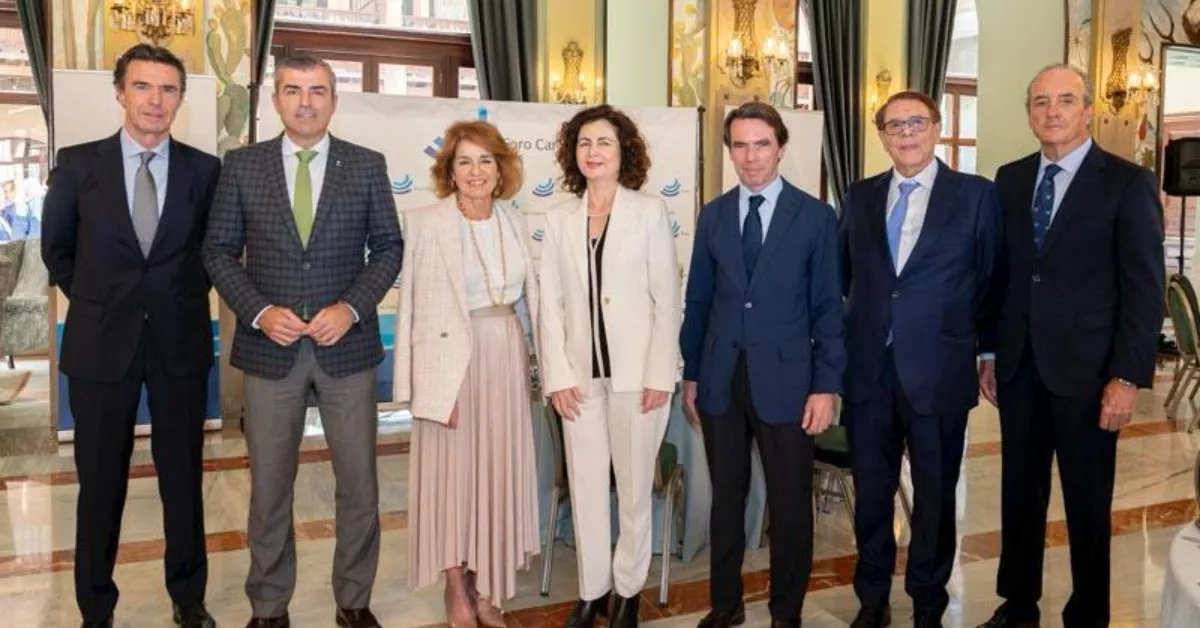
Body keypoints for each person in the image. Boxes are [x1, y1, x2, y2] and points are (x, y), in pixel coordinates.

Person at [203, 53, 403, 628]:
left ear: (334, 101)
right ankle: (269, 607)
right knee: (268, 488)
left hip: (348, 349)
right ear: (277, 99)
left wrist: (352, 306)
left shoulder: (366, 166)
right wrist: (261, 311)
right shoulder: (242, 167)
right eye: (294, 90)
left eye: (318, 91)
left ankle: (354, 601)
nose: (306, 101)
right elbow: (217, 251)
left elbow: (388, 247)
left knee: (360, 484)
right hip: (271, 353)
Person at [976, 64, 1164, 628]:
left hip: (1089, 374)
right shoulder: (1008, 180)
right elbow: (999, 277)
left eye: (1064, 101)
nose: (1051, 112)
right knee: (1019, 494)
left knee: (1086, 502)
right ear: (1028, 112)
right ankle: (1018, 604)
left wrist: (1127, 377)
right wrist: (988, 352)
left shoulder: (1127, 183)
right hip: (1018, 365)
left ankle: (1087, 613)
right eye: (1039, 102)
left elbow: (1144, 289)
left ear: (1087, 110)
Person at [41, 43, 221, 628]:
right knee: (99, 484)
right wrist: (105, 304)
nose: (155, 100)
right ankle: (96, 606)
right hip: (99, 347)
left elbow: (210, 253)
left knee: (182, 477)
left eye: (168, 89)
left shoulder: (204, 170)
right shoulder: (77, 165)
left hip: (179, 344)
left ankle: (188, 597)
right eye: (143, 86)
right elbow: (58, 253)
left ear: (180, 100)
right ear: (120, 92)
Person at [679, 101, 844, 628]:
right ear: (729, 151)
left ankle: (786, 613)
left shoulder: (816, 217)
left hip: (790, 384)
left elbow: (827, 307)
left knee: (791, 505)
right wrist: (692, 373)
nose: (750, 157)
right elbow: (699, 302)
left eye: (761, 143)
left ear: (781, 146)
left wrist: (825, 386)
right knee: (727, 500)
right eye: (740, 145)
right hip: (721, 380)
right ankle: (725, 607)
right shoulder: (714, 214)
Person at [839, 90, 1000, 628]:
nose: (906, 133)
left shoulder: (975, 196)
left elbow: (992, 281)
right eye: (894, 125)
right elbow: (844, 277)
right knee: (871, 496)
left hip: (939, 369)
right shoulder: (859, 196)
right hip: (868, 372)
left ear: (937, 126)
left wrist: (985, 350)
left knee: (934, 496)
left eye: (917, 122)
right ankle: (873, 598)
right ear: (880, 134)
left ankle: (928, 601)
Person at [394, 120, 541, 628]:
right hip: (450, 367)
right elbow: (411, 309)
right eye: (464, 162)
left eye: (485, 161)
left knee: (495, 479)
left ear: (500, 170)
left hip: (505, 361)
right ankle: (456, 587)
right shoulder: (425, 222)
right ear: (449, 172)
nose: (476, 171)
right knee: (453, 481)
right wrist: (421, 390)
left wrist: (538, 368)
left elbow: (529, 304)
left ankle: (488, 587)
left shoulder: (516, 222)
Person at [538, 105, 681, 628]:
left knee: (635, 491)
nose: (593, 152)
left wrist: (658, 375)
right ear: (573, 155)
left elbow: (667, 300)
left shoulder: (648, 213)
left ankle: (627, 591)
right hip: (578, 383)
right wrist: (556, 377)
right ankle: (592, 589)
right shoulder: (557, 220)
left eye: (604, 143)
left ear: (624, 154)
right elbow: (547, 305)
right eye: (584, 143)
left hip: (637, 380)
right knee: (587, 493)